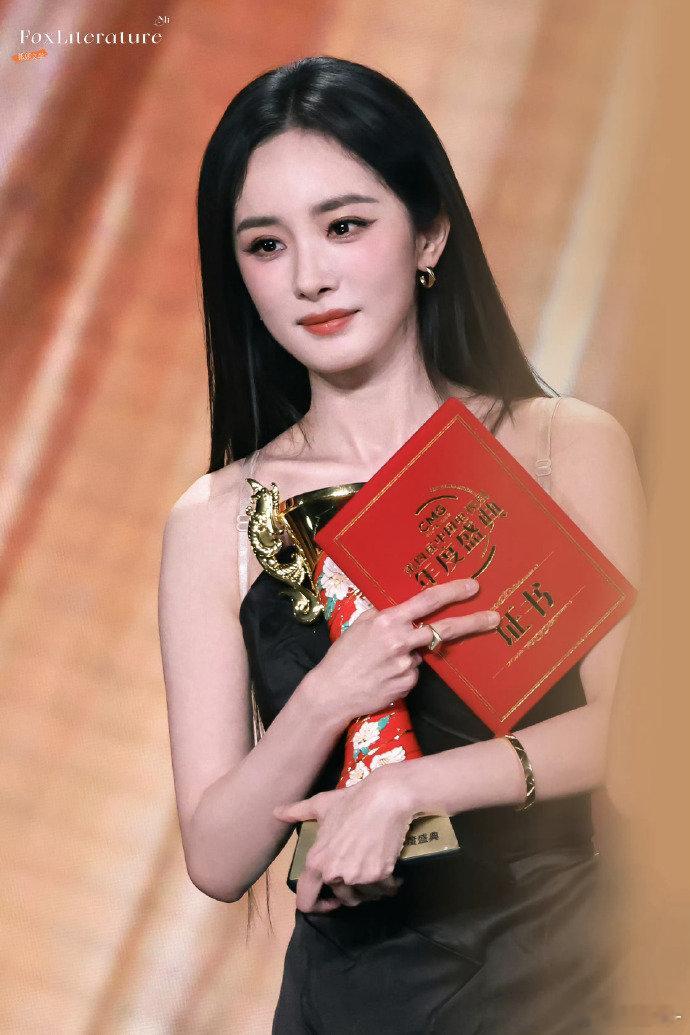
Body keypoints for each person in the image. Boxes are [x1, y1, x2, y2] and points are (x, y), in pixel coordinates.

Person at [158, 56, 645, 1034]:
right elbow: (216, 855)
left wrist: (412, 787)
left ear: (429, 232)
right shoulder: (217, 519)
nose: (310, 276)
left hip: (566, 975)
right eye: (266, 244)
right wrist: (329, 696)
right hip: (352, 1001)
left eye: (344, 226)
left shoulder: (560, 446)